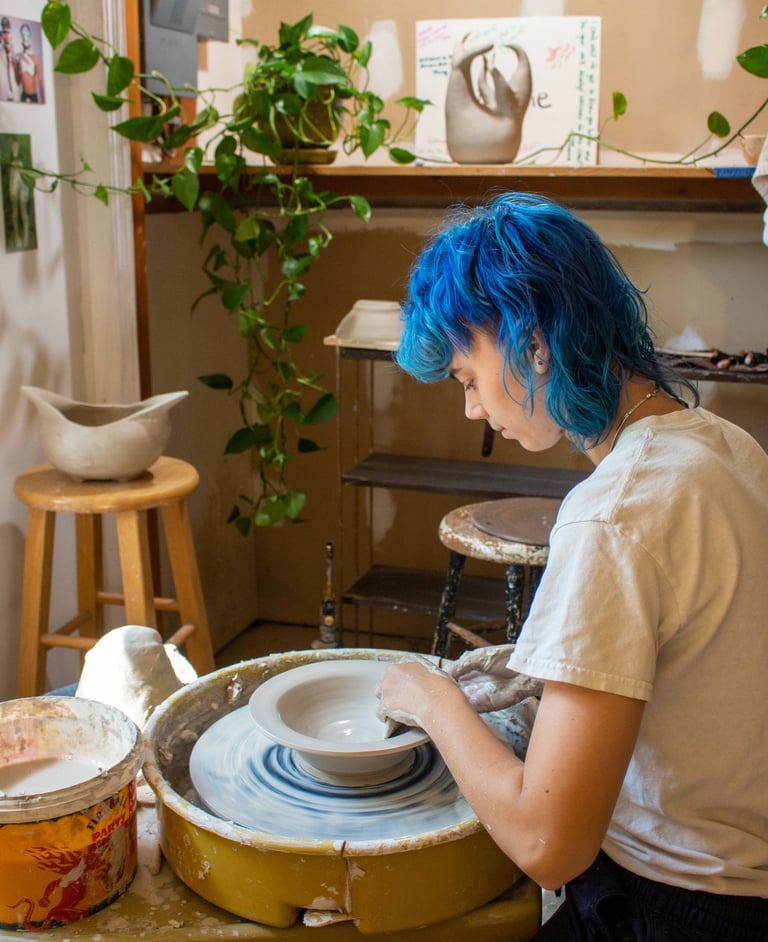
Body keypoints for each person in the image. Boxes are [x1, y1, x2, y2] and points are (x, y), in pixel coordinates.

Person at [376, 193, 768, 941]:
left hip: (682, 906)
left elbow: (547, 846)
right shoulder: (719, 443)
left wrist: (434, 702)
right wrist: (545, 670)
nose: (470, 408)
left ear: (532, 341)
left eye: (466, 377)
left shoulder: (612, 514)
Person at [14, 22, 44, 104]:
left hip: (34, 95)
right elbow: (17, 81)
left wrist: (44, 100)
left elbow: (40, 81)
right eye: (23, 34)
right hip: (24, 95)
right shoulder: (18, 57)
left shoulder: (35, 58)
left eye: (27, 34)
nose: (25, 37)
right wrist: (17, 69)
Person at [0, 15, 20, 102]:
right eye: (4, 32)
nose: (6, 35)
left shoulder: (13, 50)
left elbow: (18, 78)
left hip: (14, 93)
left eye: (8, 32)